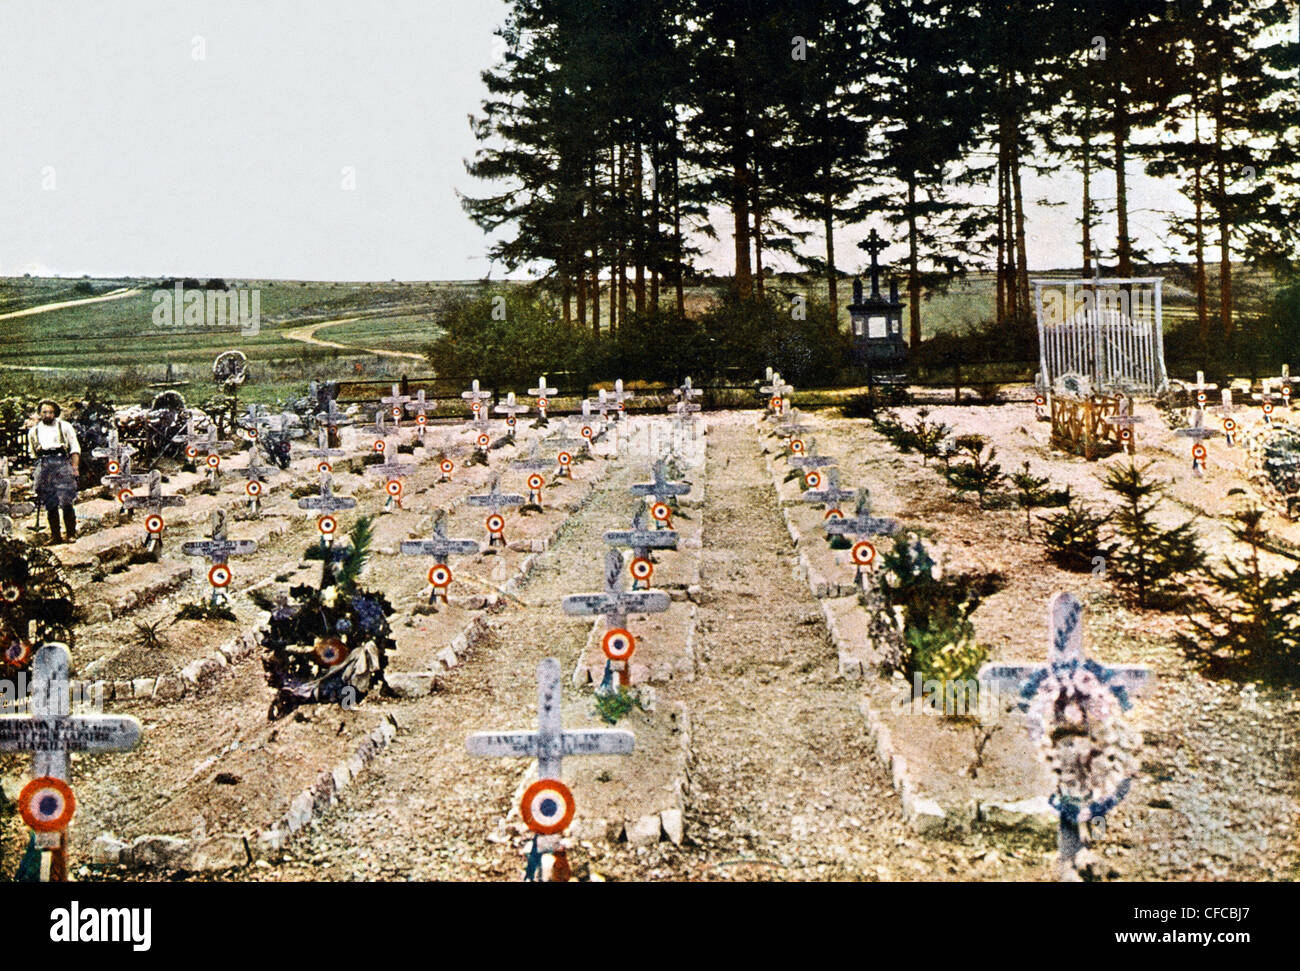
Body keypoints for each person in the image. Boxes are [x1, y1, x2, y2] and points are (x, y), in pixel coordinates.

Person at [26, 400, 80, 544]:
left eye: (50, 412)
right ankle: (55, 536)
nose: (47, 415)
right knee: (50, 502)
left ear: (55, 413)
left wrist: (75, 468)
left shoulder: (65, 427)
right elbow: (33, 454)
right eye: (44, 412)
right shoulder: (34, 431)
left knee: (66, 500)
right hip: (44, 466)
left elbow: (75, 448)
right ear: (39, 414)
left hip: (62, 464)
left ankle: (71, 534)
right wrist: (36, 472)